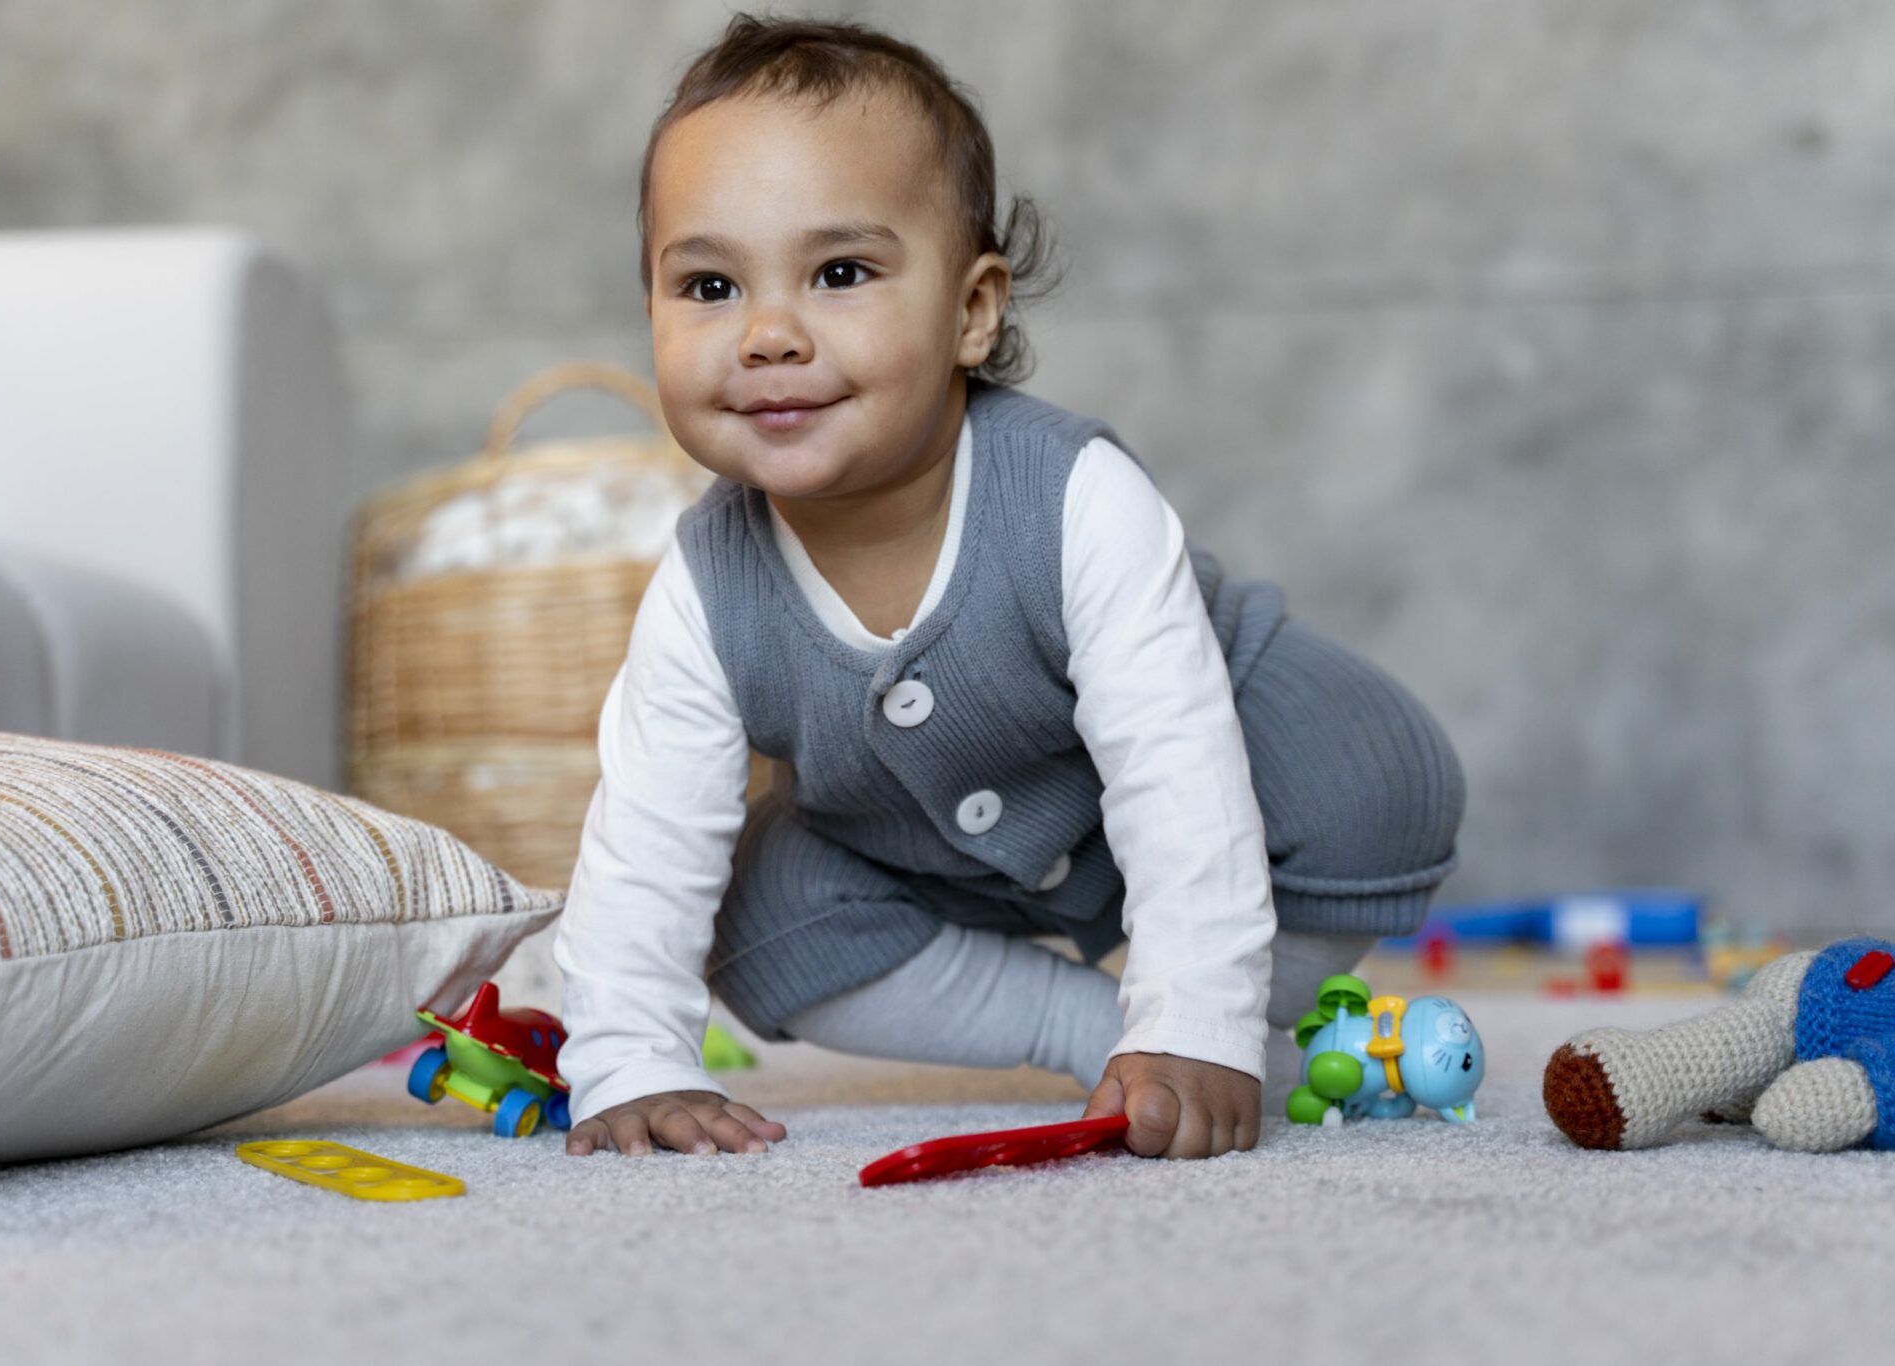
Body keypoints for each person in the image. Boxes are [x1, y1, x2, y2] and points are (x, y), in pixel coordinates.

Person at [554, 13, 1464, 1161]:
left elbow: (1175, 769)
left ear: (970, 311)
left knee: (1373, 773)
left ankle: (1221, 1033)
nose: (768, 333)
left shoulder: (1074, 494)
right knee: (751, 908)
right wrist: (626, 1058)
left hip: (1235, 788)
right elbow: (645, 841)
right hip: (928, 855)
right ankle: (1085, 1029)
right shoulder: (703, 580)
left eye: (838, 273)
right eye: (707, 286)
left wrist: (1195, 1019)